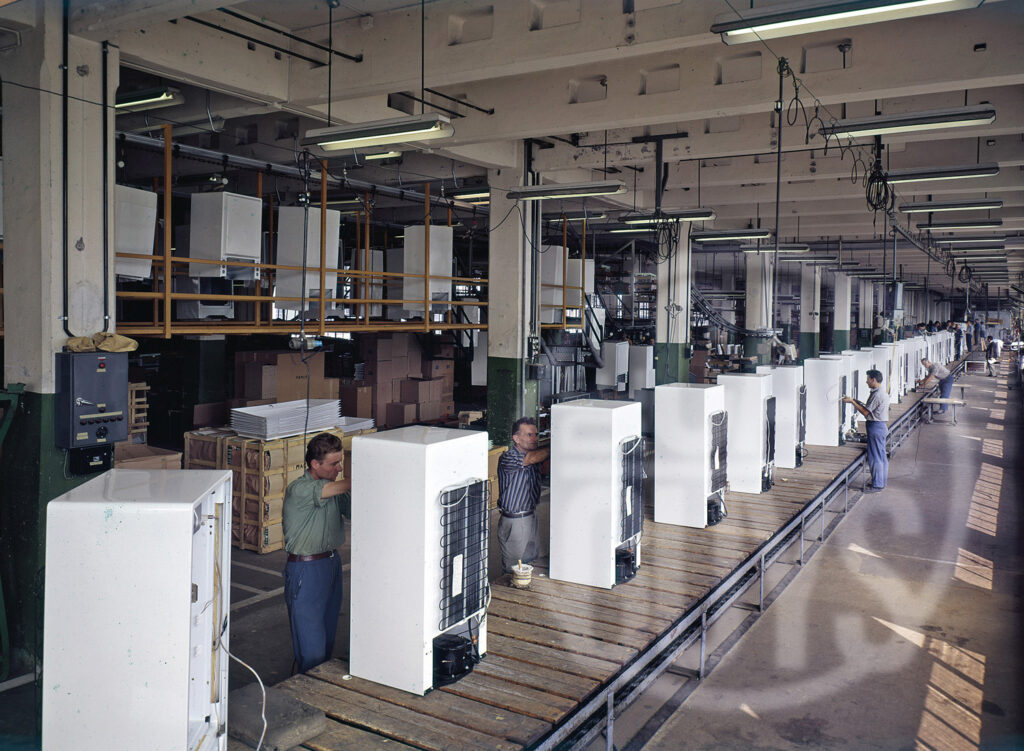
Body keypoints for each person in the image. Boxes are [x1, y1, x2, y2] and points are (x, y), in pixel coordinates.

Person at [282, 432, 352, 673]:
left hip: (331, 564)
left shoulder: (333, 489)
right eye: (334, 463)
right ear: (315, 464)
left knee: (328, 636)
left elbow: (355, 510)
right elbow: (343, 485)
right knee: (311, 646)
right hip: (306, 570)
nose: (339, 467)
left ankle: (320, 687)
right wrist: (369, 472)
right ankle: (308, 693)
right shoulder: (299, 489)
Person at [496, 417, 549, 574]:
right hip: (514, 522)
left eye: (535, 435)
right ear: (516, 438)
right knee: (513, 569)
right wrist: (556, 445)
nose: (534, 439)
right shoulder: (508, 457)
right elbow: (531, 459)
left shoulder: (533, 457)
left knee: (531, 562)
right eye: (529, 435)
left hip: (531, 516)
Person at [844, 369, 889, 493]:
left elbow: (865, 413)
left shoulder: (877, 394)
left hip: (875, 427)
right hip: (880, 426)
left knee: (875, 457)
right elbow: (869, 408)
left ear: (873, 380)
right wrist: (857, 401)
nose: (866, 381)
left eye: (868, 379)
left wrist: (852, 402)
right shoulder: (880, 392)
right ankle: (881, 482)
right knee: (881, 456)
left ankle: (877, 485)